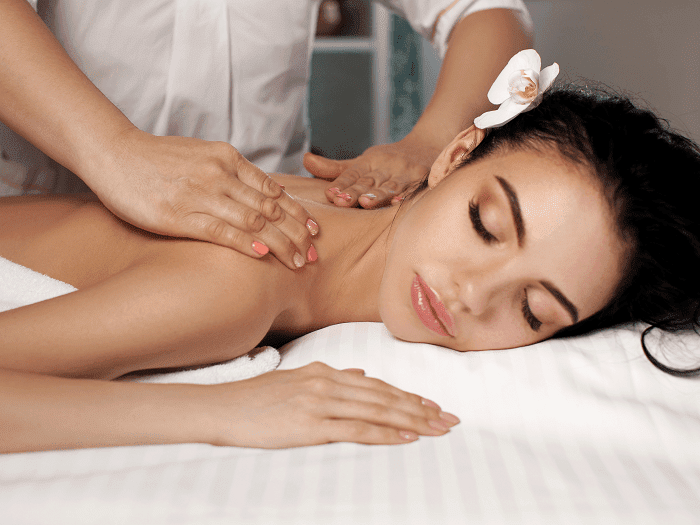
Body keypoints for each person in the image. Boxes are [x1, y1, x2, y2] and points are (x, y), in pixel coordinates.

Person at [2, 52, 699, 453]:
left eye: (532, 307)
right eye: (486, 224)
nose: (469, 293)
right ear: (452, 155)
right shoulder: (240, 277)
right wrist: (217, 412)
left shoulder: (320, 201)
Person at [0, 0, 533, 268]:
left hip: (264, 234)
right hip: (50, 220)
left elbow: (486, 11)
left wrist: (428, 140)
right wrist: (115, 153)